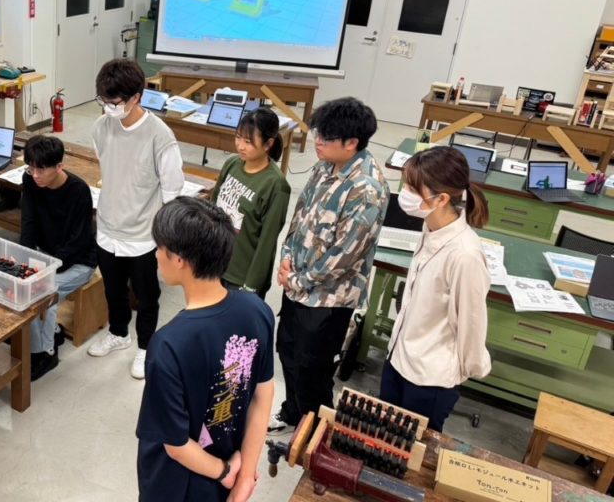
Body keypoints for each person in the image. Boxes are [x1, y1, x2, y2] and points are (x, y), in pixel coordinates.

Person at [136, 197, 274, 502]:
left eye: (160, 247)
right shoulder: (257, 310)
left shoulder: (168, 345)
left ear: (179, 260)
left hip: (177, 486)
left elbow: (176, 445)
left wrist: (227, 473)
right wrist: (245, 476)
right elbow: (263, 396)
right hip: (225, 473)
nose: (156, 254)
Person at [271, 97, 389, 432]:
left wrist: (297, 280)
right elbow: (300, 215)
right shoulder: (325, 166)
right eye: (318, 133)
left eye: (326, 137)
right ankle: (293, 414)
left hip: (328, 299)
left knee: (313, 368)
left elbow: (344, 256)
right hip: (296, 284)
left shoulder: (367, 189)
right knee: (287, 351)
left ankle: (314, 434)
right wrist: (286, 259)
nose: (317, 142)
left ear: (352, 143)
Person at [380, 146, 492, 431]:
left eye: (412, 189)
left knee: (413, 449)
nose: (404, 193)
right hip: (399, 358)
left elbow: (472, 325)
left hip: (429, 379)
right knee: (383, 438)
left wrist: (464, 370)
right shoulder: (430, 227)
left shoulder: (465, 255)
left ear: (441, 199)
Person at [88, 58, 185, 380]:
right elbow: (109, 168)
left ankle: (145, 346)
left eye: (115, 103)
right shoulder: (101, 127)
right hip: (108, 227)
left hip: (143, 234)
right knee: (113, 290)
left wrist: (166, 239)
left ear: (137, 98)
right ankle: (119, 333)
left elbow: (172, 191)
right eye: (104, 101)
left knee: (146, 296)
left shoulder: (160, 137)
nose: (109, 109)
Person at [18, 135, 97, 380]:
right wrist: (24, 260)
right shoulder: (29, 180)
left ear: (59, 166)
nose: (35, 175)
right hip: (45, 254)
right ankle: (49, 333)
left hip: (78, 261)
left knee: (39, 293)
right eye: (31, 168)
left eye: (41, 169)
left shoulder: (78, 190)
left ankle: (44, 352)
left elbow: (78, 241)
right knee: (20, 285)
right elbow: (28, 223)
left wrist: (46, 269)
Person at [210, 108, 291, 300]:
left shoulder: (276, 185)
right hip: (215, 264)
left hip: (240, 276)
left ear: (268, 144)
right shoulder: (232, 164)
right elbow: (212, 210)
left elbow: (267, 243)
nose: (240, 146)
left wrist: (251, 286)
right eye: (238, 137)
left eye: (248, 141)